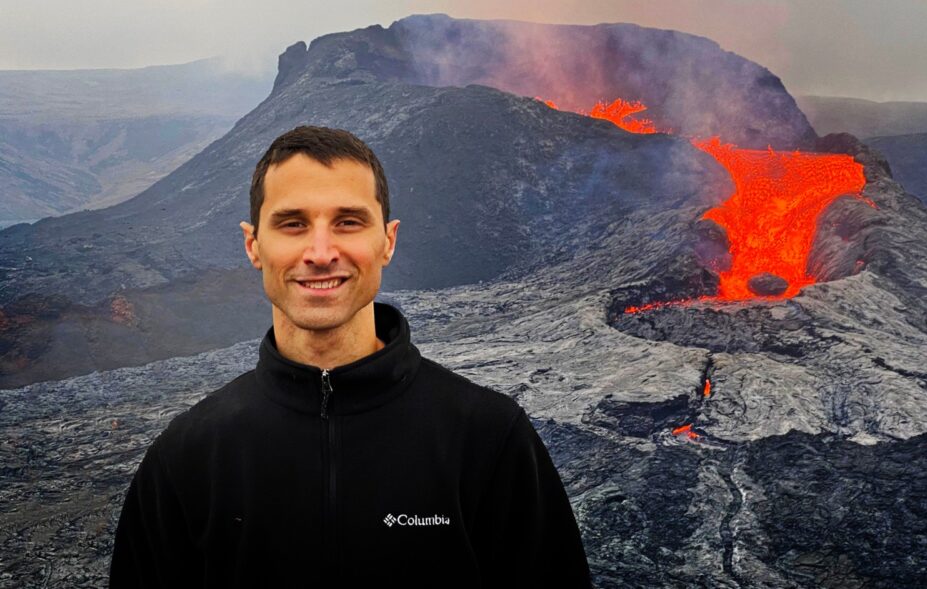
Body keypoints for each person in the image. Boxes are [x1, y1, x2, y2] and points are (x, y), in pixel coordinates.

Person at [109, 125, 592, 587]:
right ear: (254, 245)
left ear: (388, 240)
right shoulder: (188, 456)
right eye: (293, 223)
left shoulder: (489, 438)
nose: (321, 252)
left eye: (349, 222)